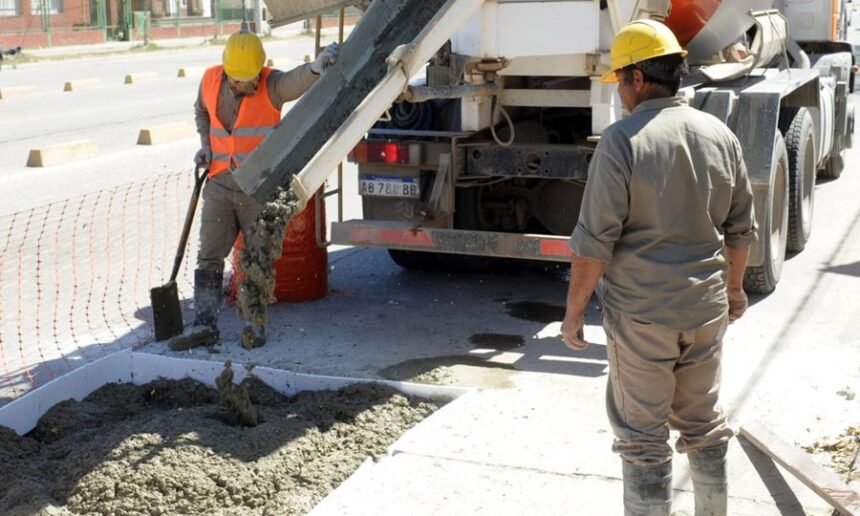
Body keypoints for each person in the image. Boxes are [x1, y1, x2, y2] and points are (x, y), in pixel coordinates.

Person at [560, 19, 757, 516]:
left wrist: (574, 313)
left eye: (621, 81)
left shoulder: (623, 140)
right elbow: (741, 229)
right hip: (706, 310)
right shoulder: (719, 134)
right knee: (704, 425)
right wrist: (733, 290)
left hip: (644, 316)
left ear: (638, 79)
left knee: (642, 439)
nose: (621, 94)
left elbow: (593, 243)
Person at [169, 28, 338, 351]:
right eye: (235, 78)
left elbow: (296, 81)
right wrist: (206, 145)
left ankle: (255, 326)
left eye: (246, 80)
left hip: (257, 190)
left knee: (257, 258)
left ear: (259, 70)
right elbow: (201, 111)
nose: (239, 84)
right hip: (219, 182)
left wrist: (316, 67)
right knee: (209, 256)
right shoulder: (209, 80)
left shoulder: (271, 84)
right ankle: (204, 325)